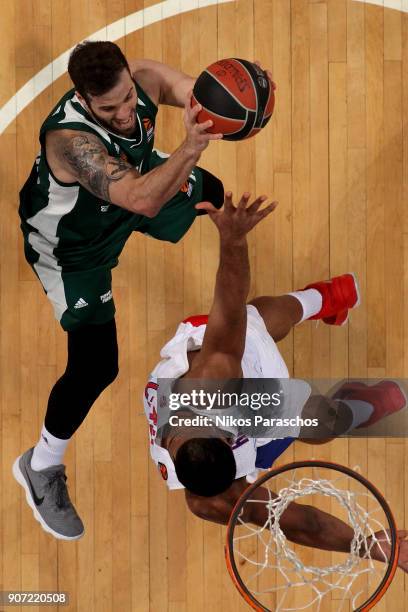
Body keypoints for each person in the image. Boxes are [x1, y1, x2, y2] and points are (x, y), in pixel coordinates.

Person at [13, 41, 275, 540]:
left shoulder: (144, 79)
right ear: (84, 99)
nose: (122, 113)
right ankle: (41, 465)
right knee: (96, 364)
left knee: (211, 196)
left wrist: (240, 96)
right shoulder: (71, 141)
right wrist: (191, 146)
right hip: (75, 246)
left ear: (131, 80)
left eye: (127, 100)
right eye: (107, 108)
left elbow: (196, 94)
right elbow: (140, 199)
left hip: (131, 192)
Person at [143, 191, 408, 568]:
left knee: (251, 325)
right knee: (327, 421)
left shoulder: (213, 380)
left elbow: (229, 306)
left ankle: (321, 298)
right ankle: (357, 400)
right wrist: (371, 546)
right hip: (237, 413)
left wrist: (233, 239)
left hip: (220, 379)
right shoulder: (209, 499)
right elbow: (302, 523)